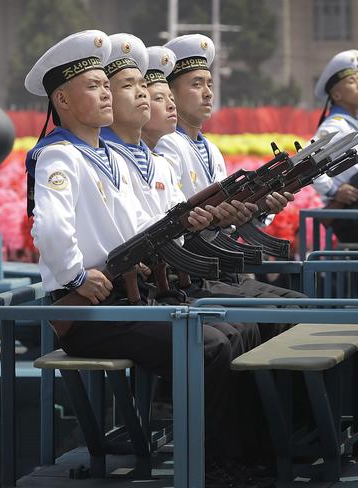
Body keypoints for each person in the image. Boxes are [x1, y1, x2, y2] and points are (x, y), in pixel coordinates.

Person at [25, 29, 252, 487]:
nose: (107, 93)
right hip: (91, 311)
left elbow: (143, 219)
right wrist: (73, 278)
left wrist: (169, 240)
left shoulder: (104, 153)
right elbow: (49, 227)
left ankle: (239, 454)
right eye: (95, 86)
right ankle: (212, 466)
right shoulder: (58, 155)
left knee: (233, 329)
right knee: (208, 346)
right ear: (63, 101)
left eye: (107, 85)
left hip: (127, 297)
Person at [99, 35, 259, 355]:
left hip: (164, 282)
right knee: (221, 340)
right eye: (135, 88)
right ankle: (174, 406)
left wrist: (250, 207)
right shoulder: (99, 158)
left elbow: (169, 221)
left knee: (251, 325)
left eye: (147, 90)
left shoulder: (157, 160)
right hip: (128, 291)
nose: (152, 99)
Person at [155, 34, 305, 341]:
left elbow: (229, 217)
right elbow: (177, 220)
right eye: (196, 84)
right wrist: (218, 217)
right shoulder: (168, 146)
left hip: (217, 265)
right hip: (193, 272)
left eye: (209, 84)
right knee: (288, 313)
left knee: (297, 308)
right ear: (171, 93)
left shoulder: (209, 148)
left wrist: (259, 208)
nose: (208, 93)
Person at [312, 50, 358, 243]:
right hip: (353, 214)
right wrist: (334, 192)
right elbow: (307, 164)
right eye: (353, 82)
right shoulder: (334, 126)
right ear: (336, 94)